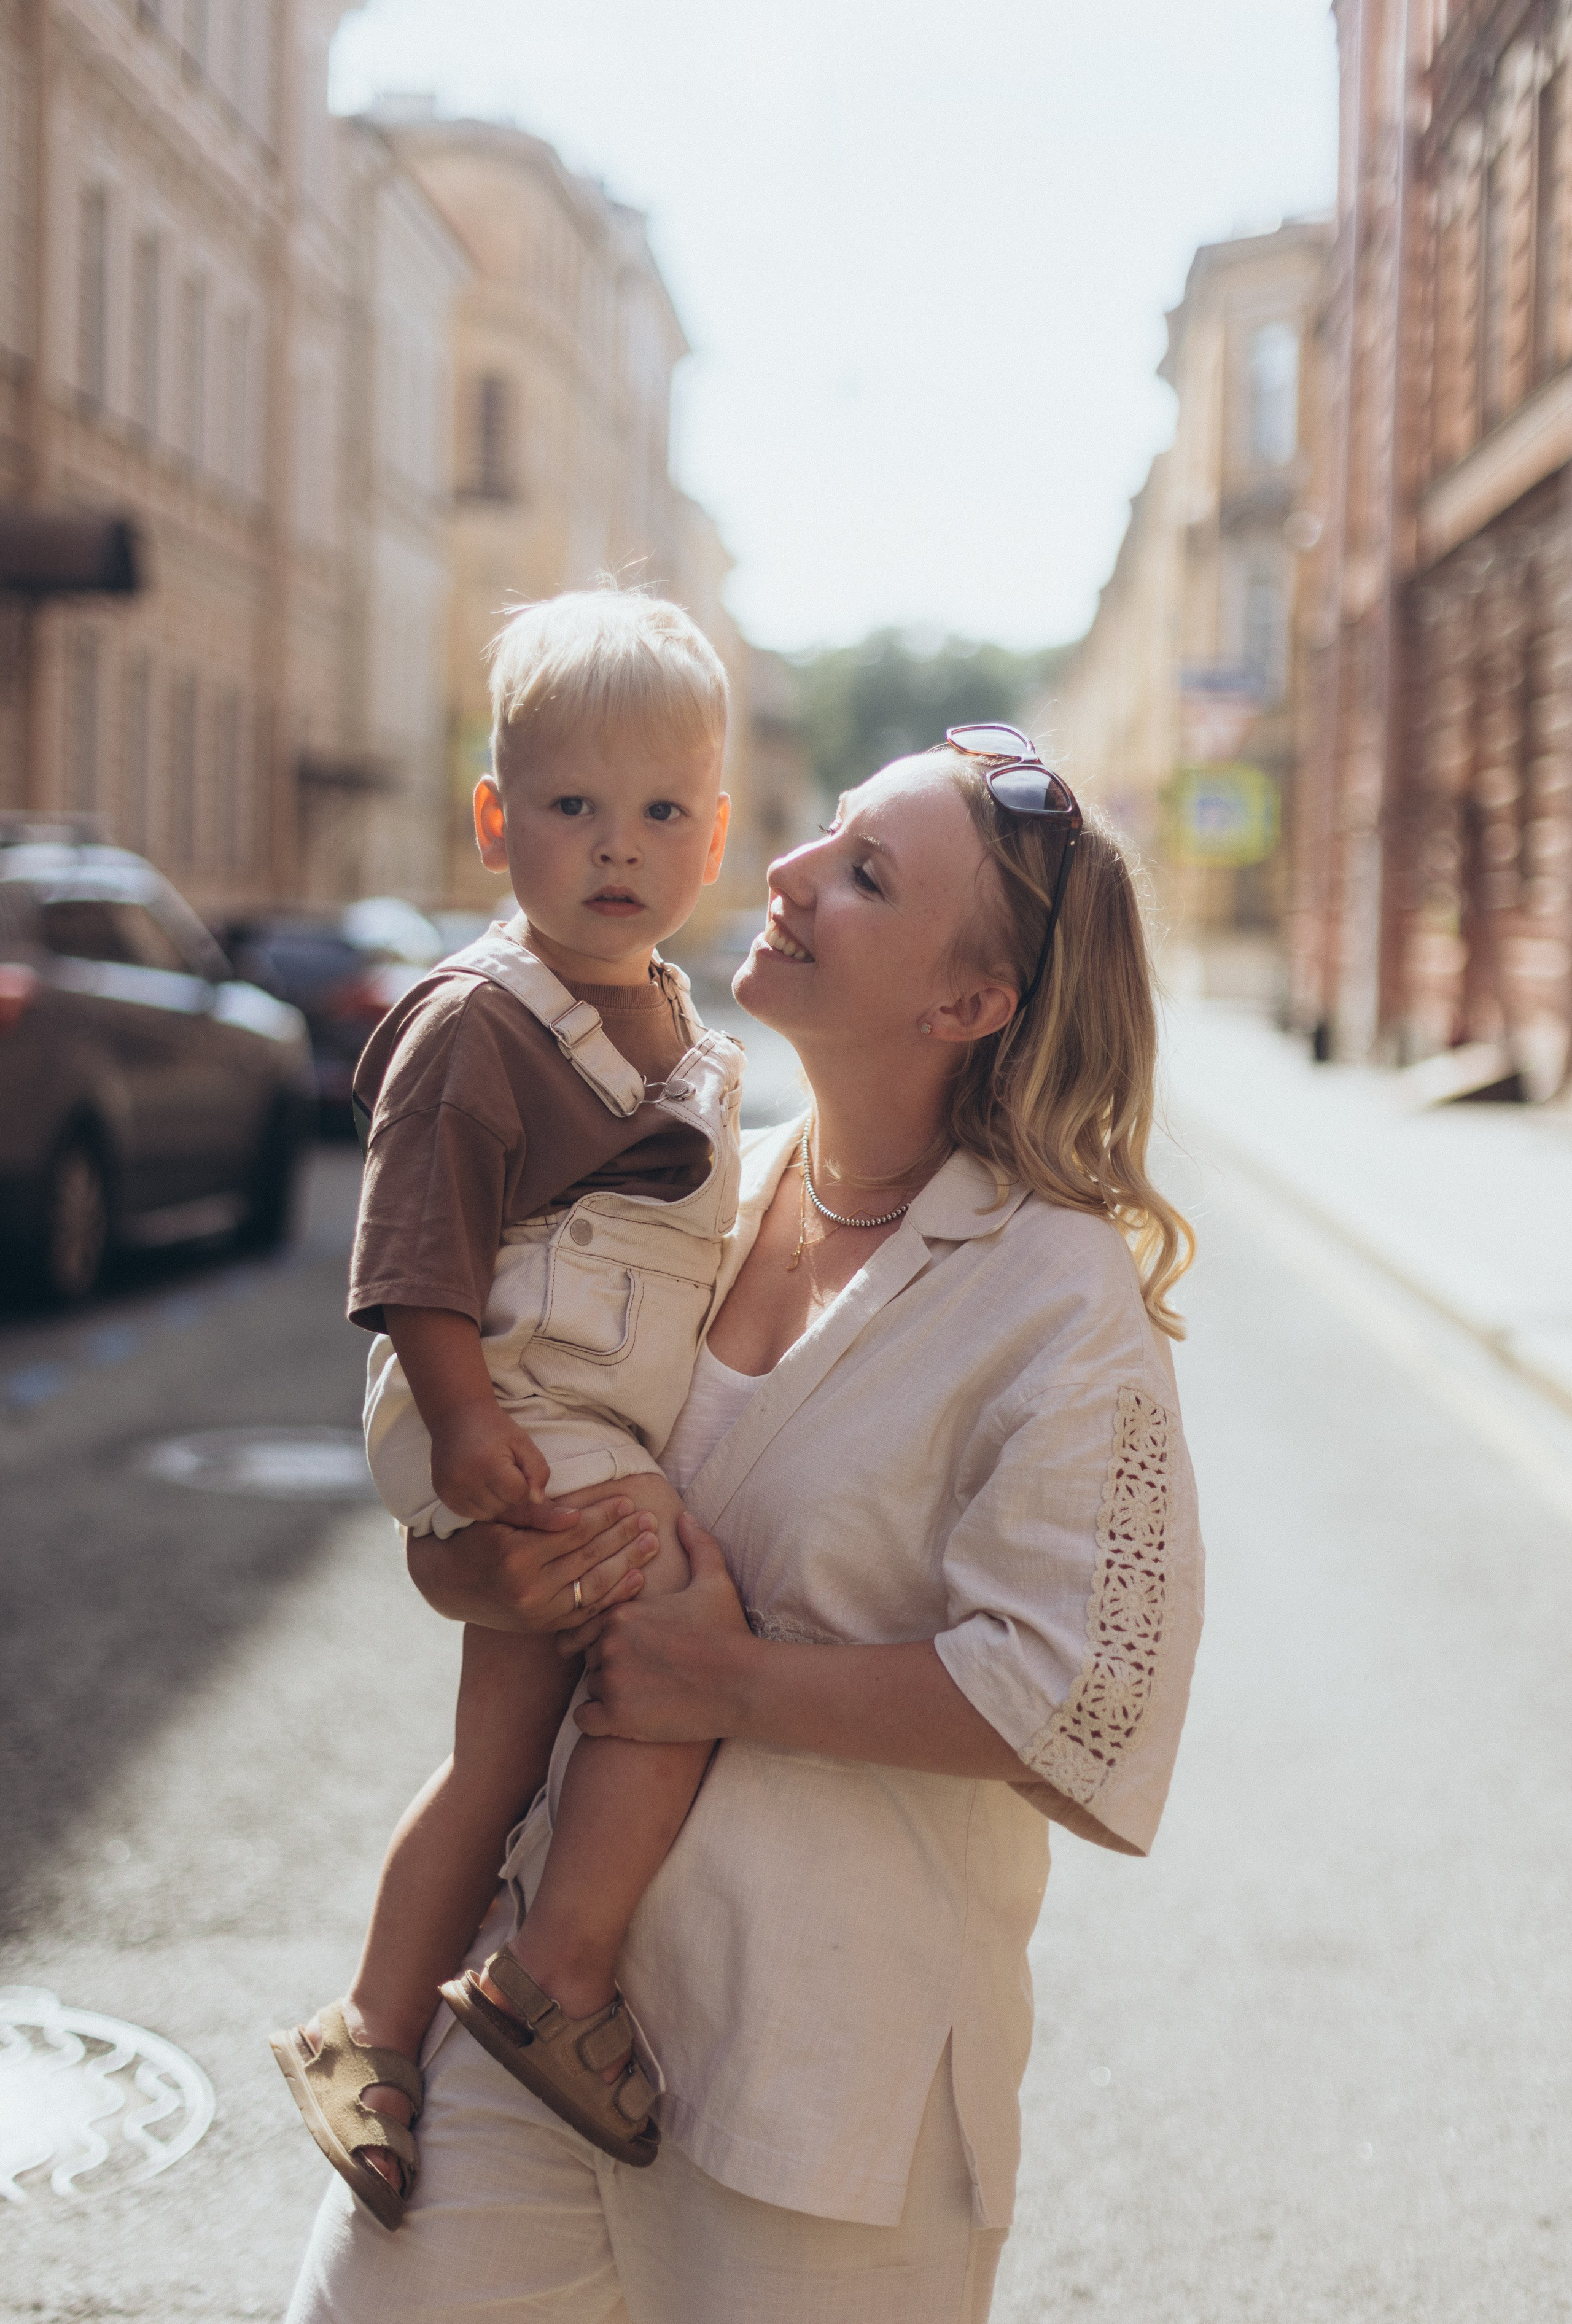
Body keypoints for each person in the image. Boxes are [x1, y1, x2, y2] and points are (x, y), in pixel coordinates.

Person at [286, 723, 1205, 2324]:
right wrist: (466, 1564)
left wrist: (732, 1686)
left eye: (864, 873)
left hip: (819, 2084)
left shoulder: (1056, 1292)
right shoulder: (693, 1184)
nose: (786, 872)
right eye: (826, 834)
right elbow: (520, 1449)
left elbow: (1070, 1686)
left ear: (967, 1003)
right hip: (526, 2011)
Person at [272, 589, 750, 2225]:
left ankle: (370, 2034)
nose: (617, 846)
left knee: (496, 1760)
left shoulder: (683, 1032)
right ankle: (557, 1970)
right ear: (496, 820)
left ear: (715, 839)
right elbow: (416, 1246)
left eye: (660, 811)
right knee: (685, 1602)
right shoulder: (482, 1022)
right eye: (570, 807)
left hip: (566, 1405)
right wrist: (468, 1421)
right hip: (499, 1397)